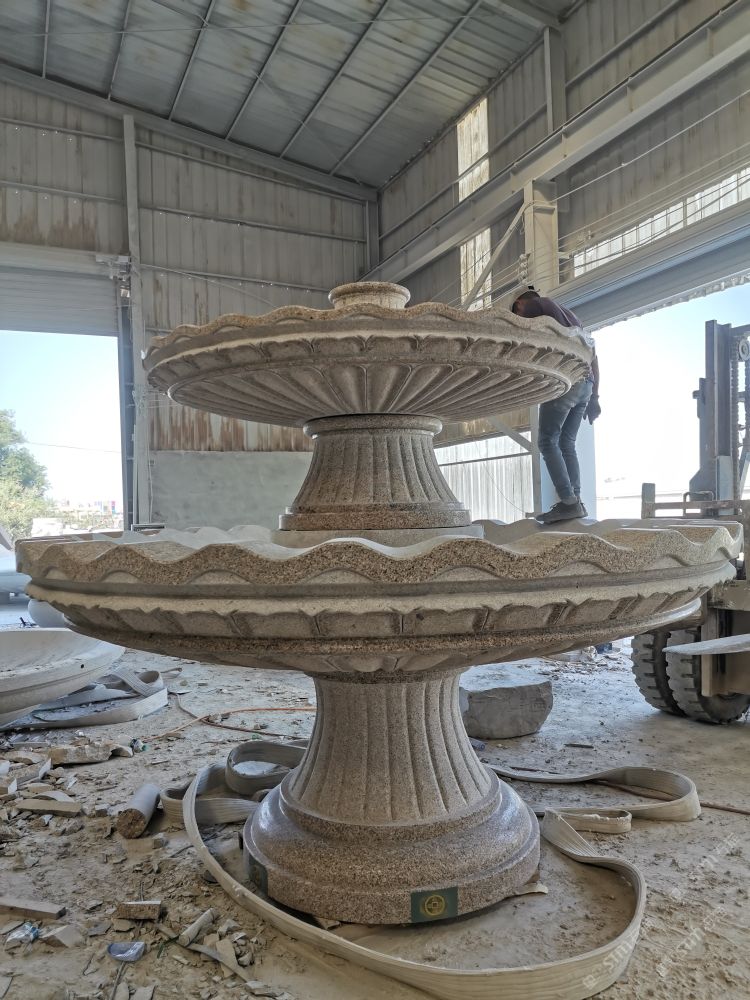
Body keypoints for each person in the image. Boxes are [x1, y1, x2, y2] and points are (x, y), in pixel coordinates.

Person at [511, 289, 600, 524]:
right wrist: (595, 398)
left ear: (520, 303)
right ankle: (575, 501)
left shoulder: (534, 305)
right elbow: (594, 357)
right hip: (586, 383)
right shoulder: (573, 318)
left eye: (518, 312)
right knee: (567, 443)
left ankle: (569, 502)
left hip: (566, 380)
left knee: (547, 441)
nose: (520, 316)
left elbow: (522, 343)